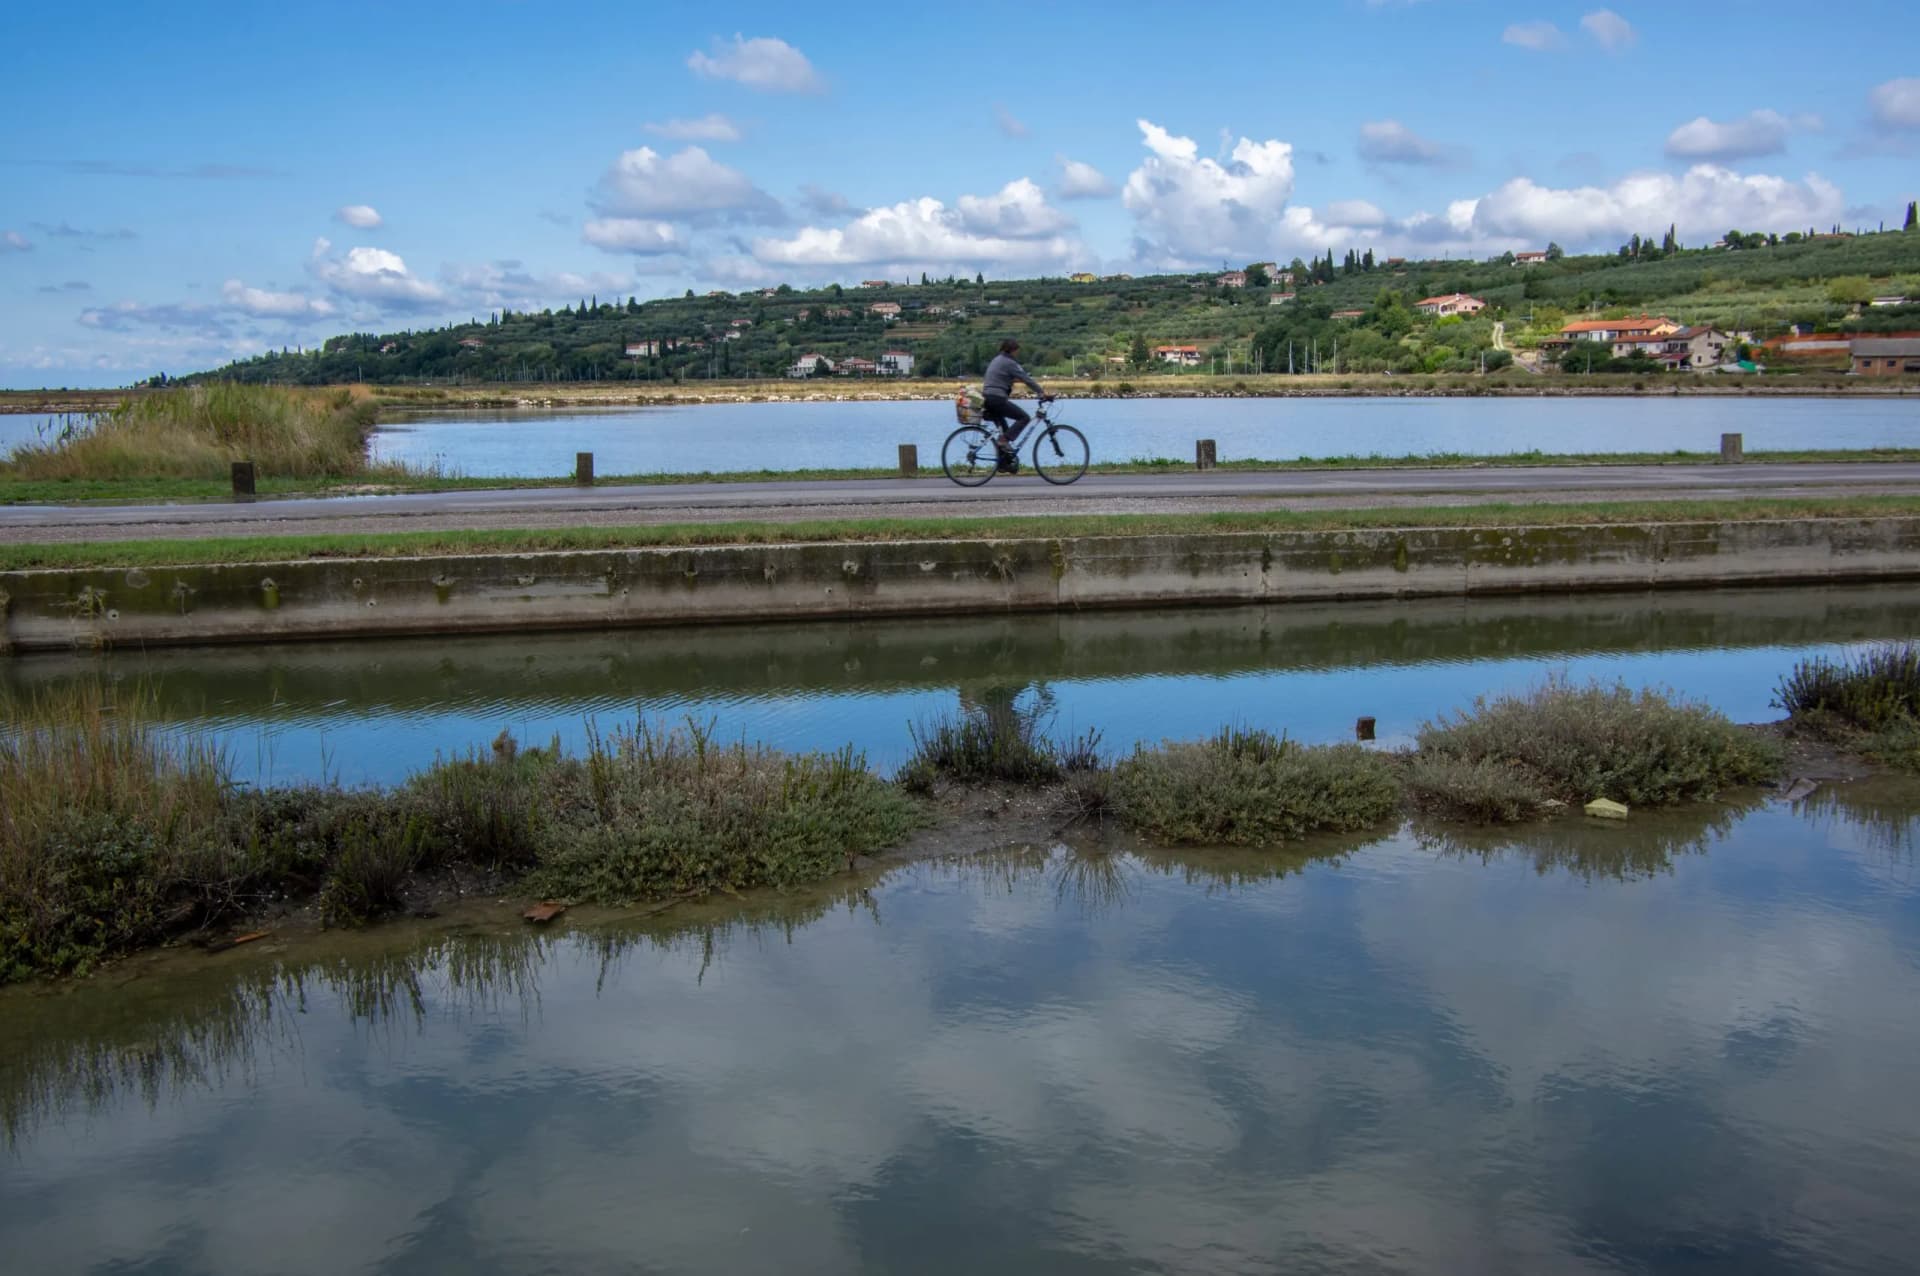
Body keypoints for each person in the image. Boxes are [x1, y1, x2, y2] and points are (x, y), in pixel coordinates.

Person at [981, 339, 1050, 474]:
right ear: (1013, 350)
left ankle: (1004, 463)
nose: (1017, 354)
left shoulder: (997, 359)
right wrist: (1042, 393)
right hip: (997, 398)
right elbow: (1026, 378)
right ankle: (1002, 443)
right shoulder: (1010, 362)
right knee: (1023, 418)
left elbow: (1003, 377)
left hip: (988, 398)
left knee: (1005, 430)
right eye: (1017, 351)